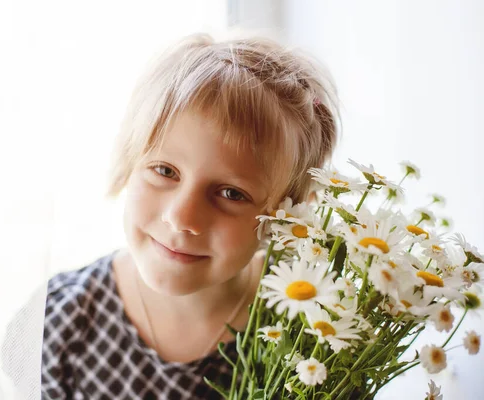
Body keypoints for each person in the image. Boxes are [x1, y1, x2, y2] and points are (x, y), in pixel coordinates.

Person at [28, 32, 339, 399]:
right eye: (164, 171)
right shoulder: (58, 322)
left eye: (231, 193)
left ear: (288, 219)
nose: (181, 218)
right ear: (129, 163)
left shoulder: (313, 333)